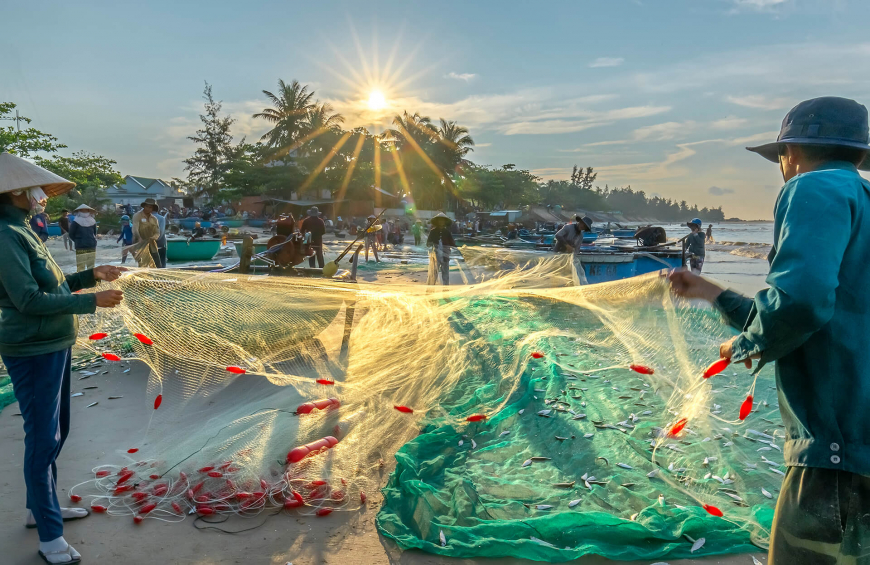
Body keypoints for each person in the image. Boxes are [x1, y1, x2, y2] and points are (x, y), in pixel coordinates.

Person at [668, 96, 870, 565]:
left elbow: (800, 302)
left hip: (834, 452)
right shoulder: (862, 201)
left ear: (791, 153)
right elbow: (826, 312)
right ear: (860, 155)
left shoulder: (811, 187)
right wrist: (713, 292)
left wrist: (745, 344)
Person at [0, 152, 125, 565]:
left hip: (55, 342)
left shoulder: (25, 231)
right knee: (43, 438)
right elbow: (29, 300)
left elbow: (52, 284)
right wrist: (91, 302)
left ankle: (43, 509)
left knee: (59, 430)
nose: (41, 198)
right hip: (32, 347)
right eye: (33, 191)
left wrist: (92, 276)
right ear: (15, 192)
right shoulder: (4, 236)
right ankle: (51, 539)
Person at [554, 215, 593, 285]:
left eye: (584, 226)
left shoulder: (581, 236)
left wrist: (573, 257)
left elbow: (577, 249)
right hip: (558, 255)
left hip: (569, 259)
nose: (582, 226)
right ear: (579, 222)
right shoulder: (568, 227)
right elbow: (558, 235)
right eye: (582, 224)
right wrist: (567, 245)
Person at [426, 212, 455, 285]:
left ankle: (445, 289)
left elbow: (452, 243)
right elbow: (428, 243)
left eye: (443, 220)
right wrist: (431, 244)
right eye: (440, 220)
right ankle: (430, 288)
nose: (441, 222)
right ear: (437, 221)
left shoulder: (447, 232)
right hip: (435, 255)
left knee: (445, 273)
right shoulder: (433, 231)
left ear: (445, 222)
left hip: (445, 256)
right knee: (433, 272)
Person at [67, 204, 98, 272]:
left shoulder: (92, 221)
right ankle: (82, 281)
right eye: (82, 211)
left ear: (89, 211)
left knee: (90, 266)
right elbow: (71, 234)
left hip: (90, 246)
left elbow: (94, 233)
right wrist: (77, 240)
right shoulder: (76, 221)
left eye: (86, 210)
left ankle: (90, 281)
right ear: (79, 211)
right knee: (81, 267)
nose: (84, 212)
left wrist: (78, 241)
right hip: (82, 246)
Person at [131, 198, 161, 267]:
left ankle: (157, 277)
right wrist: (139, 237)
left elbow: (157, 232)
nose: (148, 208)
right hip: (140, 244)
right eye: (146, 206)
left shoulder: (154, 219)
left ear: (152, 209)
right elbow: (135, 229)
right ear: (144, 206)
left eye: (150, 207)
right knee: (143, 265)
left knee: (157, 265)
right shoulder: (137, 216)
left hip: (152, 244)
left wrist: (153, 238)